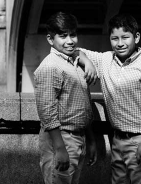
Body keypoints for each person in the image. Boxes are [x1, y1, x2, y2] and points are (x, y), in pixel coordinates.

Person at [76, 14, 141, 184]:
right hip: (117, 140)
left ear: (137, 37)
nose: (120, 43)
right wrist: (88, 63)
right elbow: (77, 51)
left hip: (140, 140)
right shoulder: (105, 59)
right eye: (114, 38)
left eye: (125, 37)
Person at [33, 11, 104, 184]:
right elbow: (47, 113)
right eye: (63, 36)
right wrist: (60, 149)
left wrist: (91, 140)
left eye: (73, 34)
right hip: (61, 139)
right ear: (50, 39)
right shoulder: (50, 67)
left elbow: (83, 105)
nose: (70, 41)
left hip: (78, 139)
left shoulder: (73, 62)